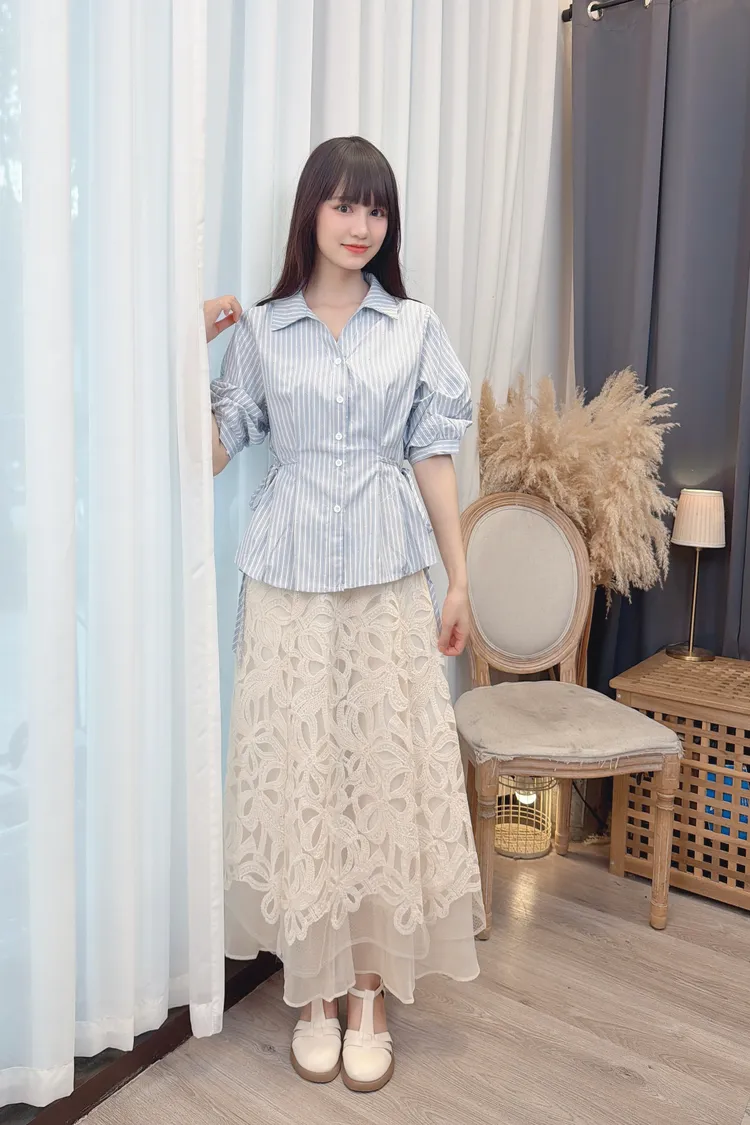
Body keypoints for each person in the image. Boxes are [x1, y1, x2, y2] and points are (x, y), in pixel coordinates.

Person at [205, 135, 484, 1094]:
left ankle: (368, 992)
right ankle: (314, 991)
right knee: (305, 776)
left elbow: (432, 457)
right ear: (311, 212)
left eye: (376, 208)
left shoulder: (413, 327)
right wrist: (180, 350)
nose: (362, 225)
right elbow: (210, 449)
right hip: (288, 585)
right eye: (344, 205)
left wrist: (457, 578)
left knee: (380, 774)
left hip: (386, 581)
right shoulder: (262, 329)